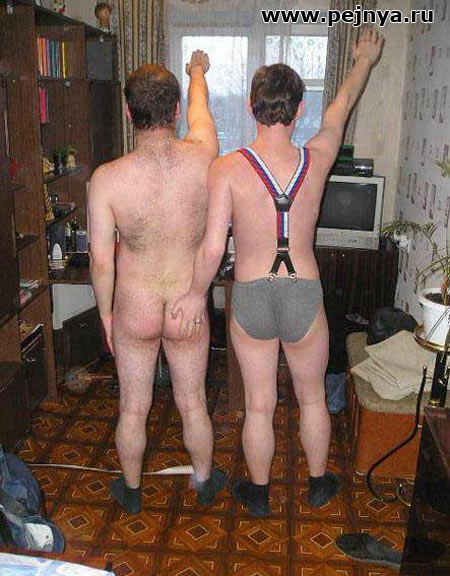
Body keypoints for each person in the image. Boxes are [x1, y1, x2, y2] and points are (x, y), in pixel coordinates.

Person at [172, 29, 384, 517]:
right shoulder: (319, 156)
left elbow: (212, 248)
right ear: (299, 110)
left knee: (259, 404)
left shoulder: (226, 168)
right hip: (302, 292)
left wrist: (194, 295)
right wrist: (364, 60)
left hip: (251, 294)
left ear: (252, 109)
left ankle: (260, 492)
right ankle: (318, 484)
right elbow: (341, 108)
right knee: (312, 399)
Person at [88, 51, 227, 515]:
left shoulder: (106, 179)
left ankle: (131, 491)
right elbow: (201, 111)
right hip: (187, 305)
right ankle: (203, 481)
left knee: (133, 407)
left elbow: (100, 260)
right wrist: (198, 72)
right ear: (175, 110)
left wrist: (106, 315)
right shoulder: (204, 155)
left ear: (129, 114)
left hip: (136, 306)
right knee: (193, 403)